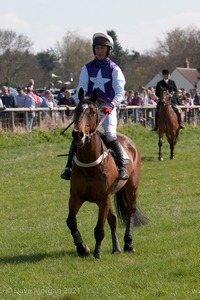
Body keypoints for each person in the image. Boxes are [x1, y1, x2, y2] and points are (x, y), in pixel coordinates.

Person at [60, 32, 129, 181]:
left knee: (110, 134)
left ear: (108, 50)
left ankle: (122, 166)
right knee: (78, 132)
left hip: (107, 106)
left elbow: (120, 92)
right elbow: (81, 88)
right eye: (97, 48)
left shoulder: (115, 69)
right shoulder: (87, 68)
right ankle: (69, 167)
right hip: (90, 106)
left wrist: (111, 105)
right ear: (94, 49)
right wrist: (77, 101)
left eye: (102, 48)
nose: (99, 51)